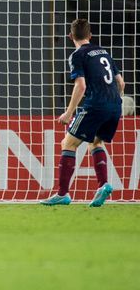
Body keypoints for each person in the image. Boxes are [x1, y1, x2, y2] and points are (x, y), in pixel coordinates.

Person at [41, 19, 124, 207]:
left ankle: (62, 193)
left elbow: (81, 85)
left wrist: (69, 113)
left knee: (68, 143)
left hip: (96, 104)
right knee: (95, 141)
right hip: (115, 105)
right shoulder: (104, 52)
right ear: (90, 35)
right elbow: (121, 83)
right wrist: (113, 101)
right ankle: (103, 185)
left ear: (71, 37)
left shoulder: (77, 55)